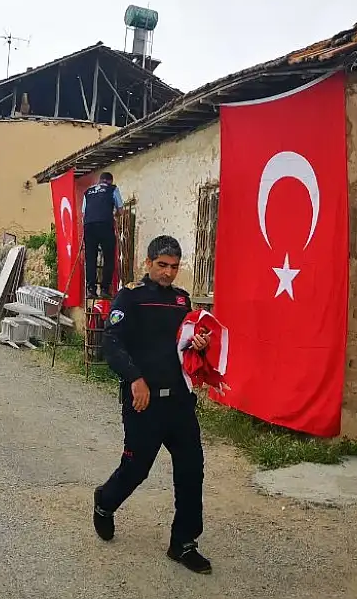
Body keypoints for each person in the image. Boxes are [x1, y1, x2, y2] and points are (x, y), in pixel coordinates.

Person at [92, 235, 213, 575]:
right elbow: (111, 343)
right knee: (136, 469)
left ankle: (184, 542)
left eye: (174, 267)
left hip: (179, 402)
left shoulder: (181, 300)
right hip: (143, 402)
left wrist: (199, 343)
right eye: (162, 265)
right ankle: (105, 502)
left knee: (191, 470)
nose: (168, 272)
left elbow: (186, 343)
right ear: (148, 264)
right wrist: (134, 378)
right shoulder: (130, 298)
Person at [82, 171, 124, 299]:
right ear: (110, 181)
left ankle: (91, 289)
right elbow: (121, 210)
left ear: (100, 181)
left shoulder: (88, 192)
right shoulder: (113, 189)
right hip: (105, 225)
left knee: (90, 258)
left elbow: (83, 214)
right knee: (109, 257)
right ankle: (105, 289)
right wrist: (115, 216)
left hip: (89, 226)